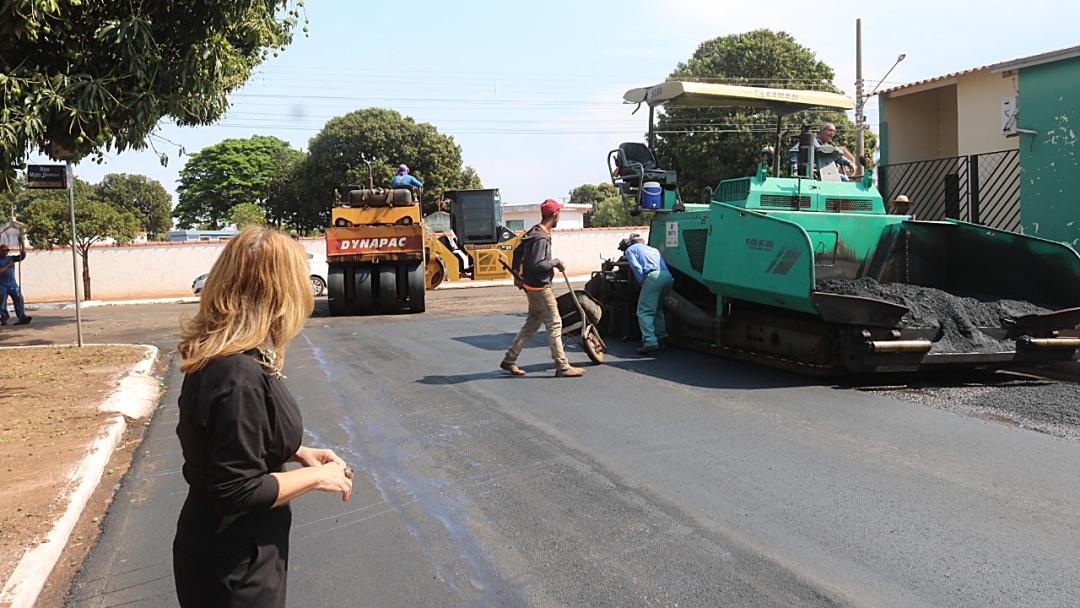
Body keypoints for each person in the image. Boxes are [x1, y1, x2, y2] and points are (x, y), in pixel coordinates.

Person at [172, 226, 352, 608]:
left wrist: (296, 451)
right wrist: (318, 476)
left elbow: (230, 440)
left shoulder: (226, 359)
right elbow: (236, 489)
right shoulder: (238, 375)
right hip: (234, 569)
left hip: (232, 556)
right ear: (277, 294)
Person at [500, 198, 585, 378]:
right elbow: (537, 264)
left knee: (531, 325)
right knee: (555, 323)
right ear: (555, 215)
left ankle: (509, 359)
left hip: (531, 287)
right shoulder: (540, 238)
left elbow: (517, 251)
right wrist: (556, 262)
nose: (558, 216)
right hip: (540, 288)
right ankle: (562, 366)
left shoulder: (533, 232)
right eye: (559, 214)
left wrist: (516, 271)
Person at [623, 233, 674, 355]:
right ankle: (661, 338)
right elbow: (663, 266)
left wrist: (642, 282)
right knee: (657, 309)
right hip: (667, 277)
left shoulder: (630, 249)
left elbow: (636, 267)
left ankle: (650, 342)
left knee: (644, 311)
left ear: (631, 242)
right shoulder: (653, 250)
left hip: (652, 278)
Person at [788, 122, 853, 179]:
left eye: (834, 132)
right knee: (844, 179)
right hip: (813, 173)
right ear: (822, 130)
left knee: (844, 178)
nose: (832, 133)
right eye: (830, 130)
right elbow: (793, 152)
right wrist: (795, 170)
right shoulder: (810, 141)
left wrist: (849, 163)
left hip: (825, 173)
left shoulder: (827, 147)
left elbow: (836, 157)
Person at [0, 243, 32, 326]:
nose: (5, 252)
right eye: (3, 250)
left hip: (12, 284)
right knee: (2, 301)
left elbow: (23, 256)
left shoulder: (11, 258)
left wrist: (22, 243)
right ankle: (4, 319)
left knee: (19, 298)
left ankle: (22, 317)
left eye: (7, 250)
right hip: (2, 285)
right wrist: (8, 265)